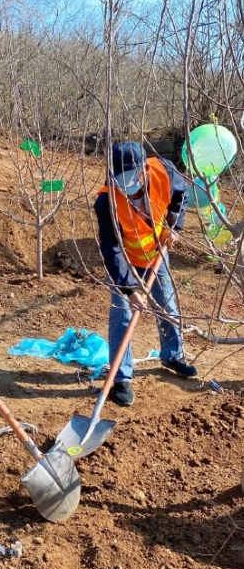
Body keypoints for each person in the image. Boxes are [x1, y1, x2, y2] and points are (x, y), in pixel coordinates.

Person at [94, 141, 197, 407]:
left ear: (143, 170)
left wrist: (175, 225)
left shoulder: (163, 171)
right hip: (125, 262)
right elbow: (111, 247)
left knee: (167, 306)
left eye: (132, 177)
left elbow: (181, 194)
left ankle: (172, 355)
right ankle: (121, 378)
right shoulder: (107, 200)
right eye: (120, 179)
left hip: (155, 253)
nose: (127, 184)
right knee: (123, 315)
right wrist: (129, 289)